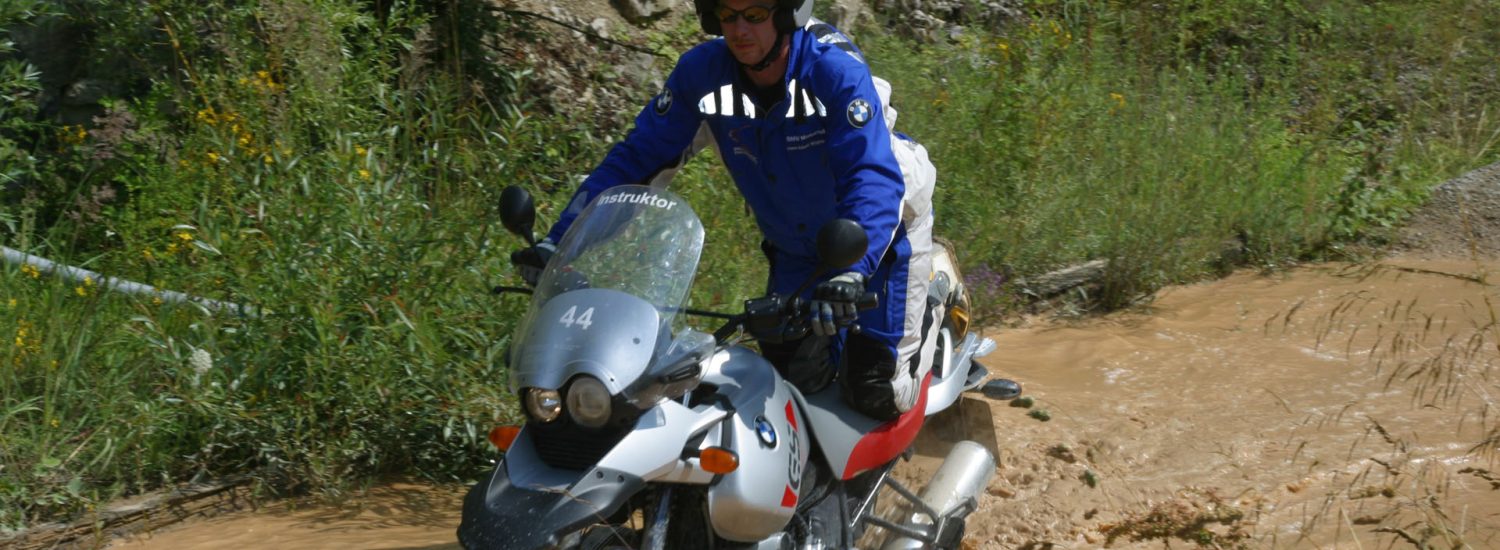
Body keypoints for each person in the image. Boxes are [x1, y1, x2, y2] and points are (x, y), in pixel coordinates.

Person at [511, 0, 937, 421]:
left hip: (882, 233)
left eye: (754, 15)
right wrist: (560, 241)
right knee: (791, 385)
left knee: (876, 389)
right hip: (797, 245)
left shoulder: (833, 72)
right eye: (728, 16)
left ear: (789, 14)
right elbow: (635, 162)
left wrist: (853, 268)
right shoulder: (702, 74)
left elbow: (871, 174)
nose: (738, 30)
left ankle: (933, 312)